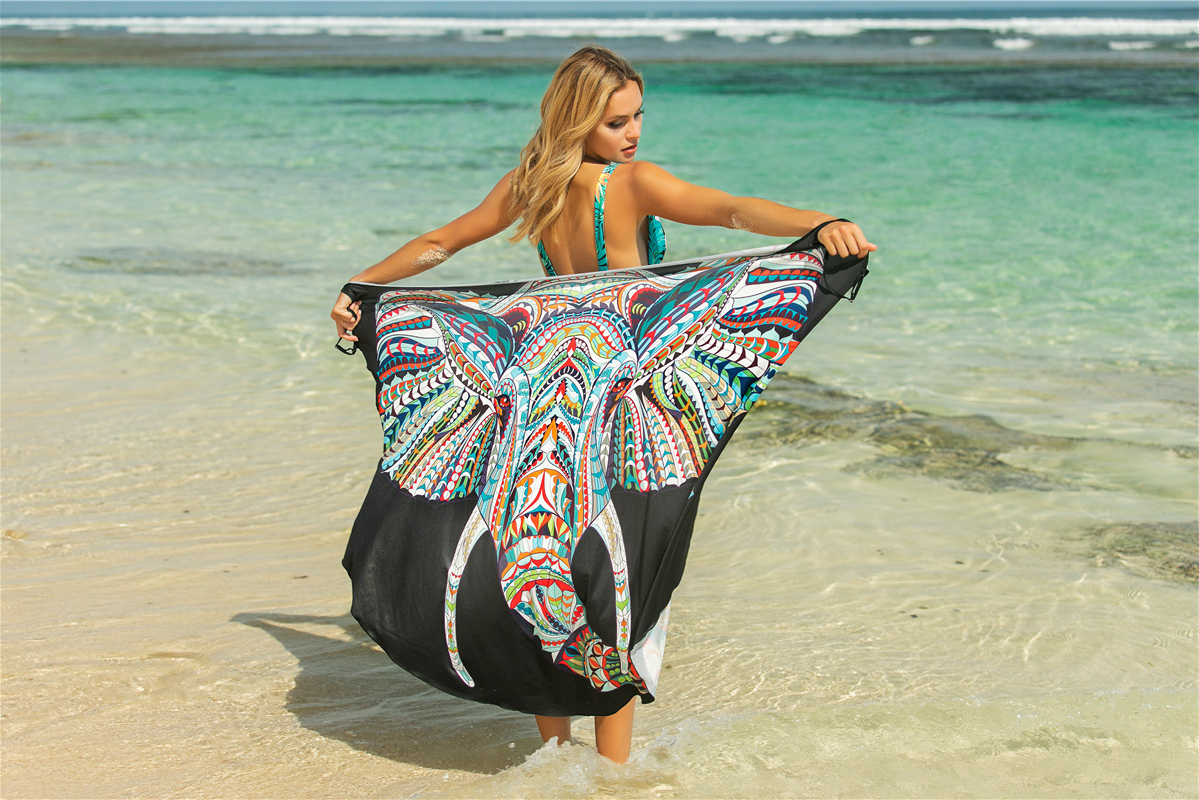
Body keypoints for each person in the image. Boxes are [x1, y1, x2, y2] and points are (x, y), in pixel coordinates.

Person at [330, 45, 875, 764]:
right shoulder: (635, 182)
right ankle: (612, 774)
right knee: (626, 579)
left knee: (546, 564)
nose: (634, 133)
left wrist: (362, 288)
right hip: (618, 397)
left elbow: (440, 244)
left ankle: (556, 759)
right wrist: (821, 223)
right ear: (577, 119)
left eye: (638, 115)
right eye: (616, 122)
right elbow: (732, 212)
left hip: (539, 391)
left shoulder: (529, 186)